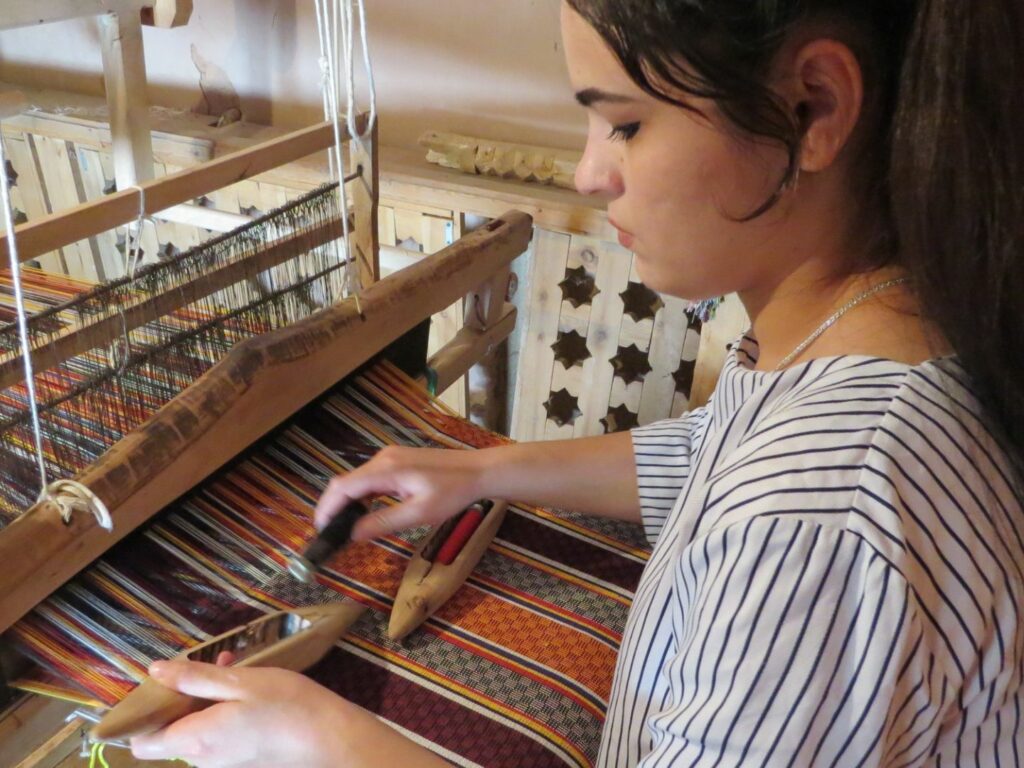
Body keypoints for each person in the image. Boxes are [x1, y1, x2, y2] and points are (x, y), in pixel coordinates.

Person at [131, 1, 1024, 765]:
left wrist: (332, 744)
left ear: (812, 107)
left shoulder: (815, 520)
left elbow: (771, 501)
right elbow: (711, 455)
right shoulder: (875, 340)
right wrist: (487, 472)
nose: (589, 173)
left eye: (626, 125)